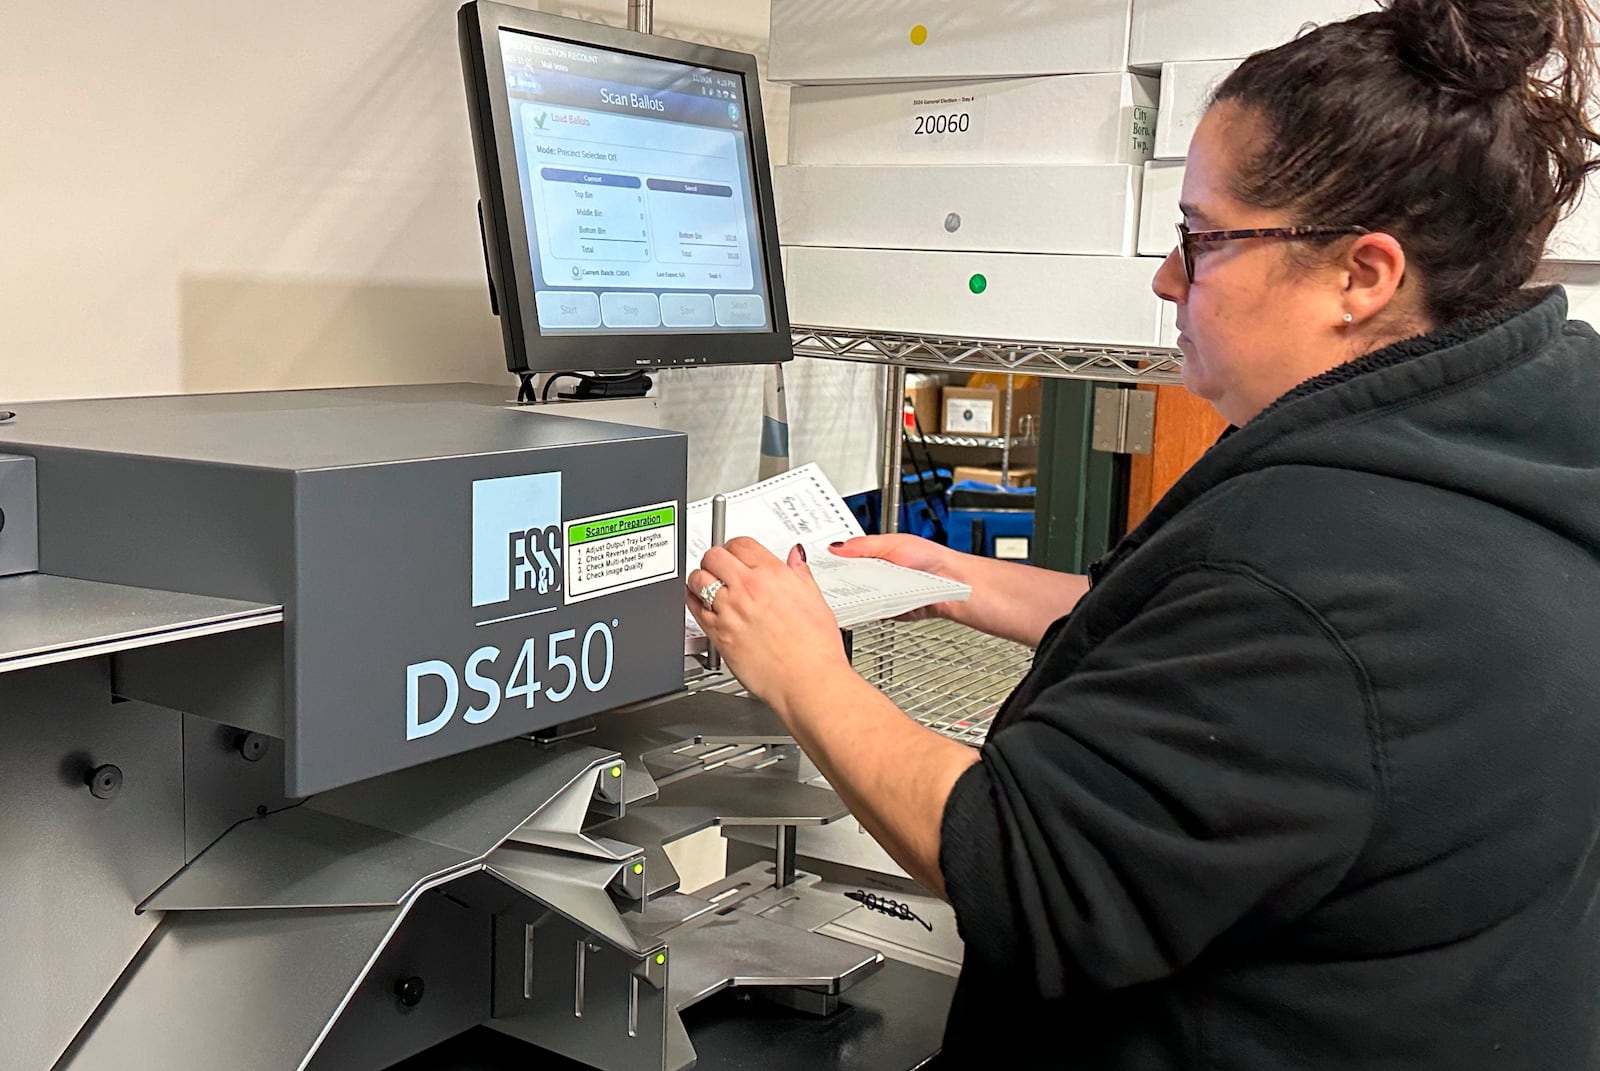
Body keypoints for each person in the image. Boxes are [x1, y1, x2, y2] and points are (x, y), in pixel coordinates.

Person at [686, 0, 1600, 1065]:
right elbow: (1266, 682)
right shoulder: (1505, 434)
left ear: (1363, 274)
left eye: (1200, 241)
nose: (1167, 278)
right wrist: (964, 582)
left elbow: (1028, 870)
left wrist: (802, 669)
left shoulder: (1326, 556)